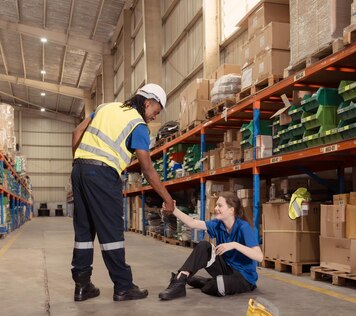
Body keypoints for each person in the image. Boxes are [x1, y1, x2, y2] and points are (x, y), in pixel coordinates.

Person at [70, 83, 175, 302]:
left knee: (84, 231)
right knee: (111, 233)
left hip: (79, 170)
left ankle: (82, 286)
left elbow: (77, 132)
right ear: (148, 102)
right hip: (102, 175)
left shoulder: (105, 107)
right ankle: (123, 286)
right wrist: (167, 199)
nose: (154, 117)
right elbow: (147, 168)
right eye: (156, 112)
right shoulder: (138, 125)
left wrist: (80, 163)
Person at [158, 191, 263, 300]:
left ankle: (205, 282)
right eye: (216, 205)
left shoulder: (243, 227)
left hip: (244, 276)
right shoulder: (218, 224)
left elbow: (259, 256)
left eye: (220, 206)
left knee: (217, 287)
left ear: (231, 210)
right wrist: (173, 209)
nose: (216, 208)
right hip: (226, 268)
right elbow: (192, 223)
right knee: (204, 246)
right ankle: (179, 282)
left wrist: (234, 245)